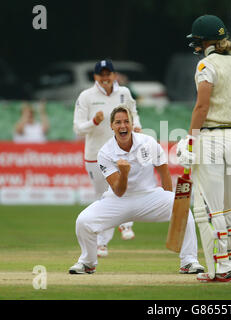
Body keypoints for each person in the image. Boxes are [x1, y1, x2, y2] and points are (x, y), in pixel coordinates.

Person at [69, 106, 204, 275]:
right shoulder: (105, 152)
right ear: (111, 126)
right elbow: (118, 191)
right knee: (83, 221)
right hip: (118, 200)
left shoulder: (148, 142)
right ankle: (88, 262)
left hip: (149, 197)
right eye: (118, 122)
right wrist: (124, 173)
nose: (123, 126)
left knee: (182, 209)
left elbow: (164, 172)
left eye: (126, 121)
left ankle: (189, 261)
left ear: (133, 124)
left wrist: (172, 201)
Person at [176, 15, 231, 283]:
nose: (196, 45)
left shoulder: (205, 65)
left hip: (212, 138)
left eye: (197, 41)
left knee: (210, 207)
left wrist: (190, 141)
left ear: (205, 41)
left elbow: (202, 107)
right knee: (230, 204)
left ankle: (220, 267)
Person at [73, 59, 141, 258]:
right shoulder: (86, 96)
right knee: (103, 197)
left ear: (114, 75)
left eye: (108, 74)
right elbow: (77, 128)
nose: (105, 78)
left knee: (125, 188)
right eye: (101, 75)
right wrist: (93, 122)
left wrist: (136, 127)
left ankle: (124, 226)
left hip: (121, 151)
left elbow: (134, 115)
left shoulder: (124, 93)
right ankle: (102, 243)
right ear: (95, 77)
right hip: (95, 155)